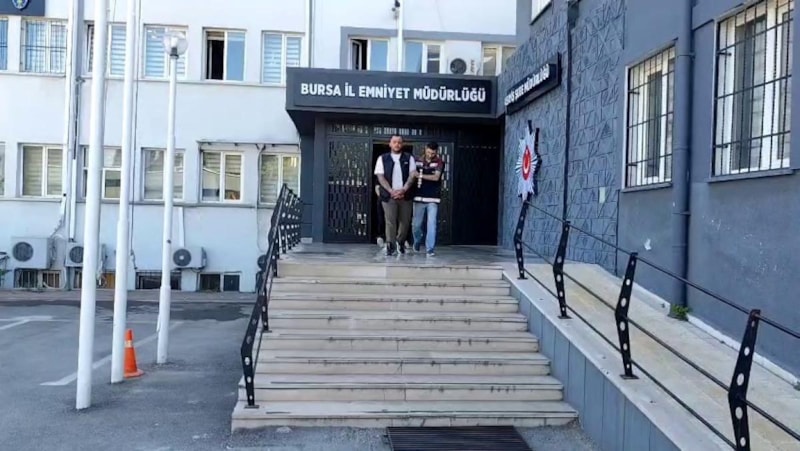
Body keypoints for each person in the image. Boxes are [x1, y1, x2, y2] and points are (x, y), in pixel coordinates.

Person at [374, 134, 416, 256]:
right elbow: (380, 177)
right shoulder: (382, 158)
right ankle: (390, 245)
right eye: (394, 142)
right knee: (390, 221)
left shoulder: (409, 158)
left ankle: (400, 241)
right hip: (388, 196)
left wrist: (404, 189)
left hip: (405, 195)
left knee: (405, 221)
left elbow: (412, 175)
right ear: (390, 144)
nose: (397, 144)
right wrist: (391, 191)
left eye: (399, 142)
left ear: (402, 144)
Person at [412, 142, 444, 256]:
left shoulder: (439, 162)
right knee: (416, 225)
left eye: (433, 153)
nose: (430, 155)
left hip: (433, 198)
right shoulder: (416, 160)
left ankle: (430, 248)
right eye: (429, 152)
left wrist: (420, 175)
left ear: (436, 152)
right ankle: (417, 241)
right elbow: (411, 173)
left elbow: (436, 177)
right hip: (418, 197)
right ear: (425, 149)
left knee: (432, 224)